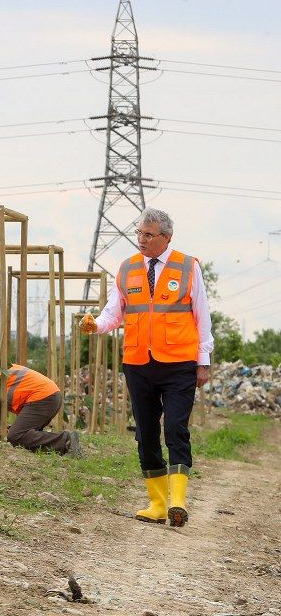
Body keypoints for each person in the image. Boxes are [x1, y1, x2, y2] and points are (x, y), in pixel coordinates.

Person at [80, 207, 212, 527]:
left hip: (179, 363)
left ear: (167, 237)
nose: (141, 240)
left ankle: (178, 501)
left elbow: (202, 315)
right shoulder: (127, 269)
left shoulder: (187, 266)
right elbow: (115, 312)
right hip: (139, 363)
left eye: (149, 235)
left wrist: (203, 361)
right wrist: (95, 325)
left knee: (175, 429)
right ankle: (157, 502)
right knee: (146, 434)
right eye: (139, 233)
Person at [0, 359, 83, 456]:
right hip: (49, 395)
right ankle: (63, 446)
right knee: (20, 433)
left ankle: (67, 441)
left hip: (42, 397)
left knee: (16, 436)